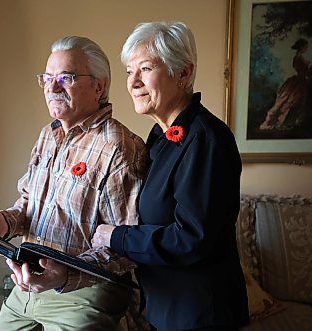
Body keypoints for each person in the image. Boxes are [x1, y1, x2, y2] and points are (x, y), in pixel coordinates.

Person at [0, 36, 148, 330]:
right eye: (47, 78)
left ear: (98, 86)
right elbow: (28, 205)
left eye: (66, 78)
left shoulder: (120, 148)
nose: (52, 88)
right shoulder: (47, 136)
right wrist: (3, 222)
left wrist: (65, 275)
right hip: (27, 287)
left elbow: (126, 247)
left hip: (85, 294)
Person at [92, 22, 250, 331]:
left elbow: (191, 238)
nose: (133, 82)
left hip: (199, 315)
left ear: (184, 74)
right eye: (129, 71)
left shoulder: (205, 139)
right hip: (166, 308)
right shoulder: (161, 136)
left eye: (146, 68)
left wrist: (117, 237)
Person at [259, 38, 311, 130]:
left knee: (298, 102)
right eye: (305, 47)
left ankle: (292, 121)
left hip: (301, 81)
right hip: (299, 82)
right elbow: (301, 69)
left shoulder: (300, 57)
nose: (306, 48)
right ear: (301, 47)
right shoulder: (298, 57)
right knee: (290, 101)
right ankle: (280, 121)